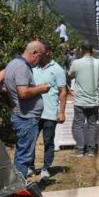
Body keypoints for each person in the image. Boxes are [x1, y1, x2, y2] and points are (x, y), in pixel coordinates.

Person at [3, 40, 48, 177]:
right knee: (24, 156)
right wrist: (41, 88)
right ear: (34, 53)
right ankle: (20, 185)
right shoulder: (22, 67)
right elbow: (23, 93)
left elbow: (4, 90)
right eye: (40, 56)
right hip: (26, 118)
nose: (40, 60)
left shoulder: (13, 64)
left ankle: (17, 182)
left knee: (21, 152)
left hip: (22, 116)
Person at [31, 43, 67, 180]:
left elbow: (63, 91)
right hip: (34, 112)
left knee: (48, 141)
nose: (36, 55)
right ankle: (30, 167)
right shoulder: (33, 68)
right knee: (31, 141)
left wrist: (61, 112)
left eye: (39, 52)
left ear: (48, 53)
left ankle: (46, 168)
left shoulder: (57, 69)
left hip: (49, 113)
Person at [68, 40, 99, 157]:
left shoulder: (76, 63)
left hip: (80, 100)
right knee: (92, 125)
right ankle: (91, 150)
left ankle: (80, 150)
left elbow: (70, 75)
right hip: (93, 100)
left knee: (78, 125)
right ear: (92, 50)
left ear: (81, 50)